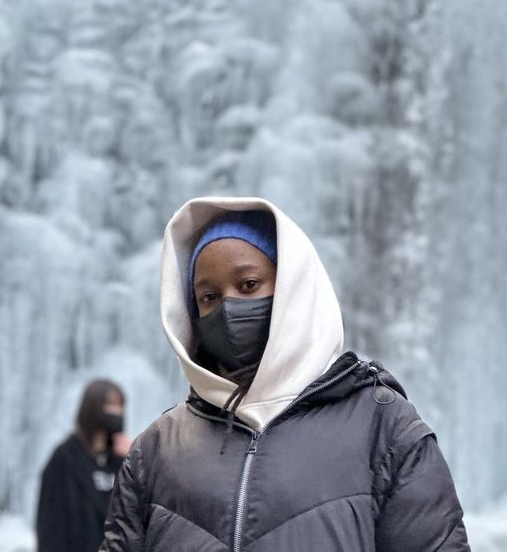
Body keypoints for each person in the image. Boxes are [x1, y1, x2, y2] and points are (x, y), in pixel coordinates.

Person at [100, 196, 470, 551]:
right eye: (209, 297)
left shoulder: (385, 429)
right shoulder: (157, 449)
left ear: (294, 287)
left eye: (248, 285)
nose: (229, 307)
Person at [36, 378, 130, 552]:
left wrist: (136, 460)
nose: (117, 412)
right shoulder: (64, 458)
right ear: (92, 407)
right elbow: (49, 525)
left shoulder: (122, 461)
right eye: (110, 404)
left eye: (121, 405)